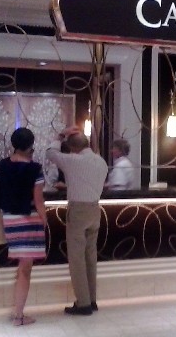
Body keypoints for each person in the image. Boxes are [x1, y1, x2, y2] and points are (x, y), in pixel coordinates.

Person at [0, 127, 47, 326]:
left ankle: (18, 313)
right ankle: (18, 315)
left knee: (23, 267)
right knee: (25, 269)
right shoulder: (35, 169)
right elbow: (38, 201)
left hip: (10, 220)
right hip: (29, 221)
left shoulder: (0, 166)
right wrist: (45, 221)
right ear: (31, 145)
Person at [45, 126, 108, 316]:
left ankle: (83, 303)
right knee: (90, 257)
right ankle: (92, 299)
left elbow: (50, 153)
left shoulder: (72, 160)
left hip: (78, 211)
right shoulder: (101, 162)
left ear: (72, 148)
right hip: (94, 210)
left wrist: (60, 135)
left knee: (77, 258)